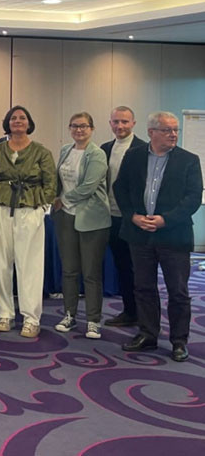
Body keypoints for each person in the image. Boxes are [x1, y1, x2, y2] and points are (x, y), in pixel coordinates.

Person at [115, 111, 202, 362]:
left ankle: (179, 341)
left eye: (175, 130)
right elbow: (120, 188)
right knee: (144, 288)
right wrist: (132, 216)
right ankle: (147, 334)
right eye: (167, 130)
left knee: (178, 291)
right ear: (151, 132)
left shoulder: (189, 160)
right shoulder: (133, 156)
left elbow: (193, 198)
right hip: (139, 234)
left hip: (174, 236)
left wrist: (166, 220)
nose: (173, 134)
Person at [0, 106, 56, 338]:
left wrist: (42, 206)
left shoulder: (41, 152)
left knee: (30, 265)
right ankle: (4, 314)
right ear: (7, 123)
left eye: (22, 118)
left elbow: (50, 183)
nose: (18, 121)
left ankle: (31, 318)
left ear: (29, 123)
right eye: (13, 118)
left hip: (29, 210)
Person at [52, 112, 111, 340]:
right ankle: (69, 315)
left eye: (84, 126)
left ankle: (93, 321)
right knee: (69, 270)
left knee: (91, 273)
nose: (79, 130)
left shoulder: (97, 154)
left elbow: (88, 187)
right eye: (75, 126)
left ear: (92, 129)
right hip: (66, 218)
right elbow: (58, 180)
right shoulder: (65, 150)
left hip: (92, 220)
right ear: (69, 128)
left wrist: (62, 200)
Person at [101, 106, 146, 327]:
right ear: (110, 123)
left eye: (125, 122)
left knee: (140, 270)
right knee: (123, 267)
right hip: (111, 216)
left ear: (133, 123)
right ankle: (130, 311)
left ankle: (144, 315)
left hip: (134, 218)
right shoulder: (104, 148)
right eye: (116, 121)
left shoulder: (144, 149)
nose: (120, 126)